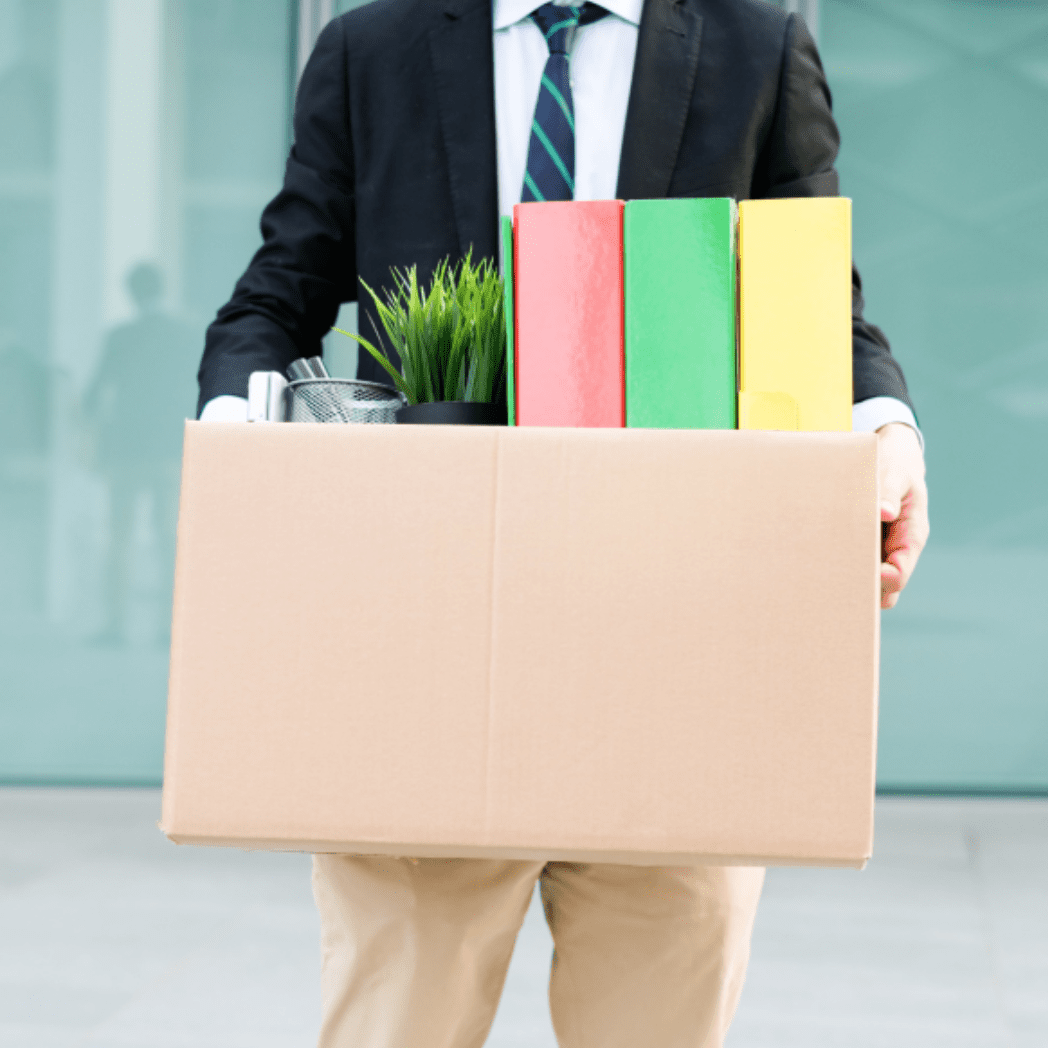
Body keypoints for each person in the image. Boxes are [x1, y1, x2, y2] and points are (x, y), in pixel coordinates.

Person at [196, 1, 930, 1044]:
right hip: (428, 648)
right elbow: (278, 294)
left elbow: (812, 300)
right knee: (396, 1022)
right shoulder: (373, 46)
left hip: (674, 647)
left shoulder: (750, 43)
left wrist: (887, 427)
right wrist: (237, 440)